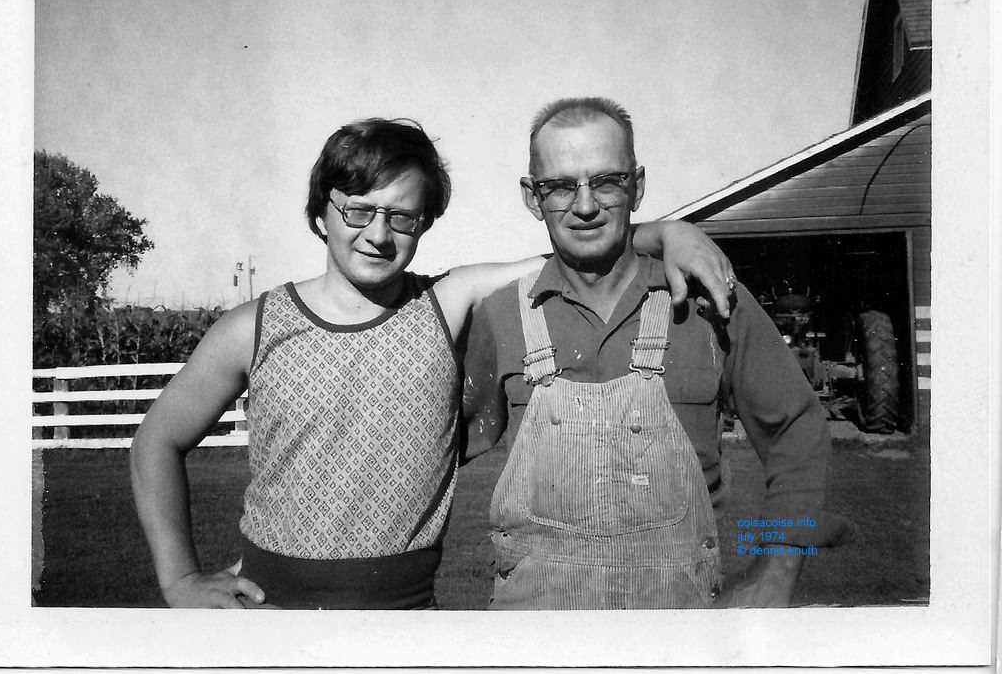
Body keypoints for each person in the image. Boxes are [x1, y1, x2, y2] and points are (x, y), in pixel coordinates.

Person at [130, 116, 735, 609]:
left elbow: (578, 248)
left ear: (424, 224)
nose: (378, 234)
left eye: (402, 217)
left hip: (408, 619)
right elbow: (156, 440)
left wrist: (667, 233)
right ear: (321, 212)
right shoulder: (255, 326)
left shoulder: (447, 303)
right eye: (358, 210)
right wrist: (178, 580)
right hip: (268, 611)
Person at [462, 97, 841, 610]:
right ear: (533, 197)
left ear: (637, 186)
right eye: (560, 186)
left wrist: (776, 570)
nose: (586, 205)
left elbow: (796, 427)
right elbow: (444, 446)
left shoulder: (709, 301)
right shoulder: (501, 317)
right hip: (536, 644)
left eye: (607, 181)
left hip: (678, 641)